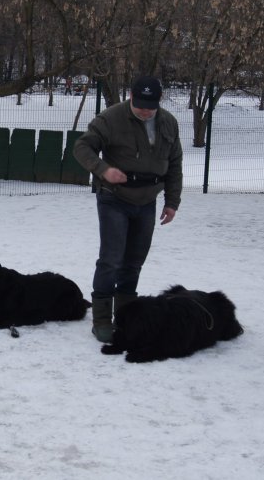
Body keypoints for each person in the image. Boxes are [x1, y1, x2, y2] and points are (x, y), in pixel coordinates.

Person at [73, 75, 183, 343]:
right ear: (131, 97)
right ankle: (101, 319)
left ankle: (125, 315)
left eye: (151, 105)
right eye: (141, 104)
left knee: (134, 261)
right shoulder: (111, 118)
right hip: (114, 198)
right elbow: (82, 146)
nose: (146, 110)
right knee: (111, 259)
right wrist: (103, 169)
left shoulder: (168, 122)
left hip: (147, 200)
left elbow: (175, 163)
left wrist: (172, 201)